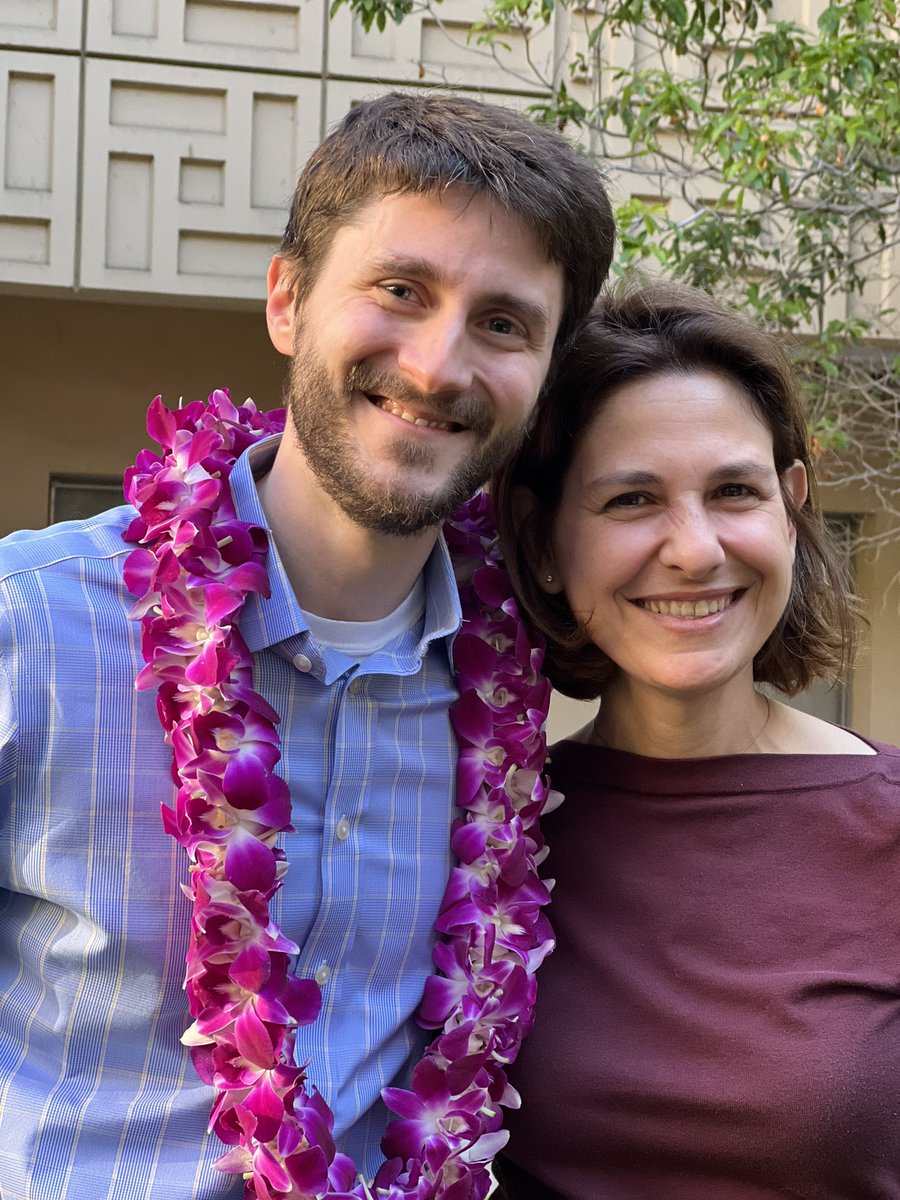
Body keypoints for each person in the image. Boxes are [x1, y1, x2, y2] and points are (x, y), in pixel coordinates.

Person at [0, 92, 615, 1199]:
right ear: (287, 300)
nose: (436, 365)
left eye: (504, 323)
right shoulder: (26, 625)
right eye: (399, 291)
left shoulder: (513, 689)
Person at [491, 281, 900, 1198]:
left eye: (734, 492)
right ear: (545, 542)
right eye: (633, 499)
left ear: (791, 508)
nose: (695, 548)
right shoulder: (490, 842)